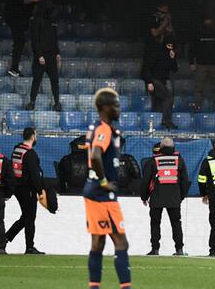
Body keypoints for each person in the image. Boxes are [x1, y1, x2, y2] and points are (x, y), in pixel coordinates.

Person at [83, 88, 132, 288]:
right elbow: (95, 155)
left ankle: (94, 285)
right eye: (116, 106)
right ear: (105, 107)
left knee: (98, 243)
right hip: (103, 194)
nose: (119, 110)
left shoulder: (97, 127)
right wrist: (104, 182)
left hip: (92, 191)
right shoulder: (103, 129)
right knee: (121, 242)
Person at [141, 136, 189, 256]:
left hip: (156, 197)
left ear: (160, 148)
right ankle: (179, 249)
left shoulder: (153, 160)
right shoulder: (179, 159)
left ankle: (155, 249)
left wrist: (144, 196)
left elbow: (146, 180)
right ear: (173, 147)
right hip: (174, 197)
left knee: (155, 223)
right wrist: (181, 196)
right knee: (176, 223)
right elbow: (184, 180)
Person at [5, 127, 45, 254]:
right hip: (27, 189)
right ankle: (29, 246)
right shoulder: (30, 153)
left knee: (26, 216)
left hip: (17, 187)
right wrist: (40, 191)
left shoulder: (17, 150)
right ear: (33, 136)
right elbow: (35, 175)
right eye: (36, 135)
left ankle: (6, 237)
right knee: (30, 217)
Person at [3, 0, 42, 78]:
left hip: (21, 20)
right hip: (15, 19)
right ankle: (13, 68)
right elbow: (20, 0)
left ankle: (14, 68)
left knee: (20, 42)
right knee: (19, 42)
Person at [26, 1, 62, 111]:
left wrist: (57, 53)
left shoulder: (52, 22)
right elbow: (35, 40)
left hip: (51, 56)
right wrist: (39, 55)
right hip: (41, 57)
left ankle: (57, 103)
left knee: (55, 81)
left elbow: (54, 40)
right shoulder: (36, 22)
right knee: (36, 80)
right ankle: (32, 102)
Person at [141, 22, 177, 128]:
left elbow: (174, 69)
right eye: (168, 45)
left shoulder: (170, 55)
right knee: (169, 96)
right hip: (154, 81)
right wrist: (149, 82)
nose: (170, 47)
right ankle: (166, 121)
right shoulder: (155, 53)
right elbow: (145, 69)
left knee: (158, 101)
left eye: (172, 46)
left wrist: (172, 58)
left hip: (162, 82)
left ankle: (155, 124)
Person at [189, 16, 215, 109]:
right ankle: (197, 105)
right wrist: (191, 62)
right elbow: (192, 48)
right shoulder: (197, 34)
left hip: (213, 64)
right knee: (199, 87)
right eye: (207, 20)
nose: (208, 22)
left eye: (210, 20)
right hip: (201, 65)